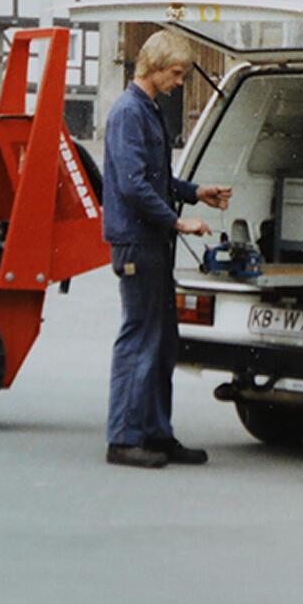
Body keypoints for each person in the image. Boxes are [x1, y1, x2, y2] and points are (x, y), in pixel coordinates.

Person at [102, 30, 231, 468]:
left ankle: (156, 433)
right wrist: (178, 220)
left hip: (153, 240)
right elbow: (133, 185)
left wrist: (197, 193)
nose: (179, 81)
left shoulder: (149, 109)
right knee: (139, 337)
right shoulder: (128, 113)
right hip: (137, 241)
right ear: (154, 67)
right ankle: (123, 438)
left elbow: (158, 180)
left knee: (162, 342)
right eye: (176, 73)